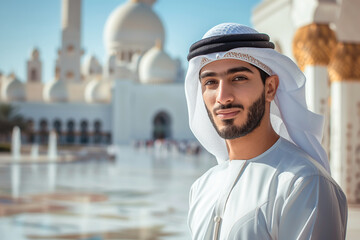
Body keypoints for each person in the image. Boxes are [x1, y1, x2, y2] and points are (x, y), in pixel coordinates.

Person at [185, 23, 347, 240]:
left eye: (238, 78)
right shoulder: (202, 187)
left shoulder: (303, 183)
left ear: (270, 88)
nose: (223, 96)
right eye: (211, 82)